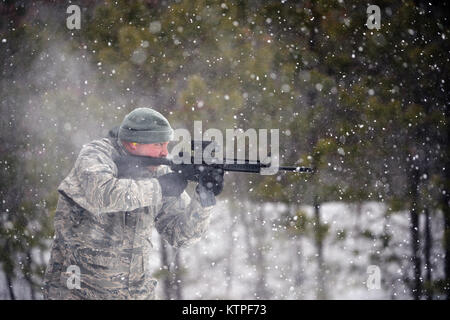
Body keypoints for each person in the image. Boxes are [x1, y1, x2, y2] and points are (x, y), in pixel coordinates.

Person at [43, 107, 223, 299]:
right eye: (158, 145)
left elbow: (181, 235)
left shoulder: (158, 172)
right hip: (78, 292)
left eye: (166, 145)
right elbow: (103, 195)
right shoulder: (96, 156)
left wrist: (204, 194)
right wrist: (159, 188)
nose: (165, 152)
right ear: (134, 144)